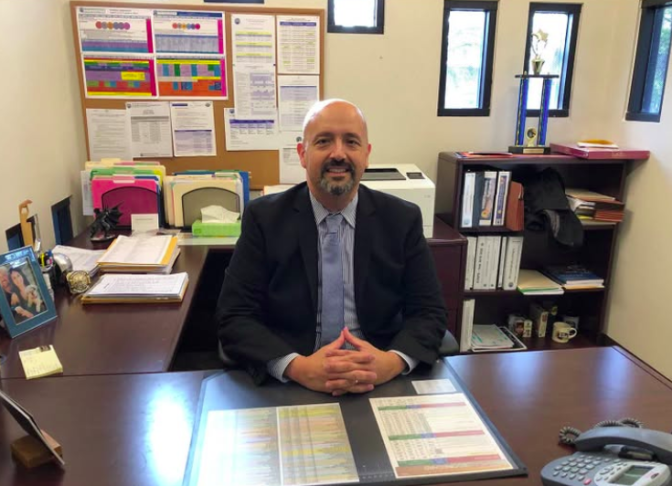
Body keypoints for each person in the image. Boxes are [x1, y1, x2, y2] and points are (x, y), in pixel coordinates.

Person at [216, 99, 446, 396]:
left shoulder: (401, 219)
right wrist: (297, 367)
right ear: (302, 153)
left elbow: (429, 311)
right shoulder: (265, 219)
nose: (339, 153)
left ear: (366, 154)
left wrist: (391, 363)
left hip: (379, 378)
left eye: (351, 142)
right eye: (324, 141)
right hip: (296, 378)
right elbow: (234, 316)